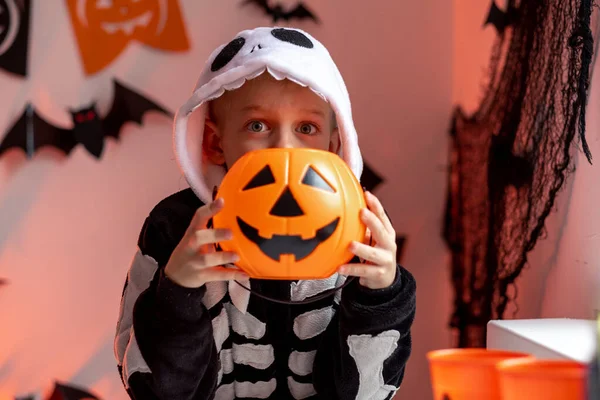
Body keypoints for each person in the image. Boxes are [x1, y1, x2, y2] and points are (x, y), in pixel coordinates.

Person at [114, 27, 416, 400]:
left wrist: (382, 297)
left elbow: (365, 396)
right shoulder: (174, 229)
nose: (284, 148)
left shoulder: (356, 229)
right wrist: (177, 291)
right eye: (257, 126)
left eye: (307, 128)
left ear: (333, 146)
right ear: (214, 142)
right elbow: (154, 391)